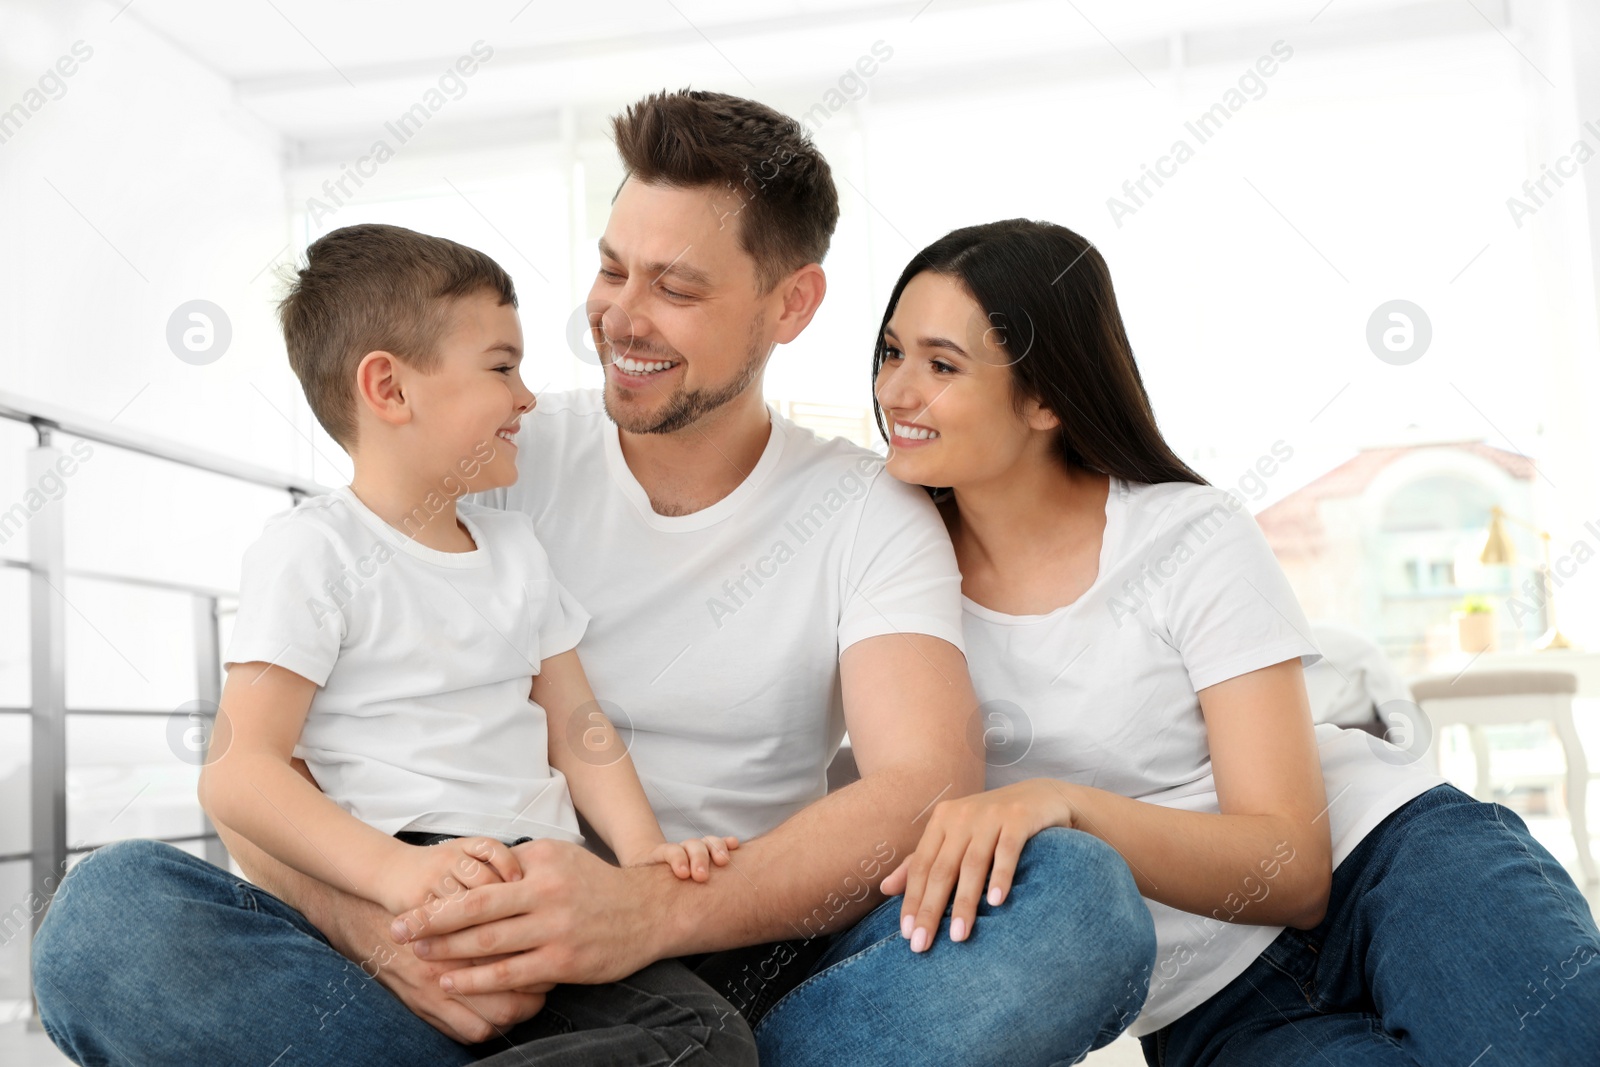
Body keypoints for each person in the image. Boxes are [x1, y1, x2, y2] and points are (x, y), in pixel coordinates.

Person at [30, 93, 1154, 1066]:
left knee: (1075, 903)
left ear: (790, 304)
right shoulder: (487, 457)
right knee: (110, 920)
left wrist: (647, 909)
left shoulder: (864, 510)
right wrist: (387, 932)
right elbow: (265, 767)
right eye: (613, 267)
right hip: (448, 954)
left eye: (674, 285)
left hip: (740, 956)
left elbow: (920, 783)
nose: (620, 314)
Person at [818, 216, 1600, 1066]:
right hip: (1216, 1008)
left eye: (941, 364)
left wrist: (1067, 804)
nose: (896, 391)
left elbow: (1294, 868)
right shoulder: (890, 590)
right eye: (891, 353)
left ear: (1045, 396)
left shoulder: (1187, 533)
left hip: (1386, 863)